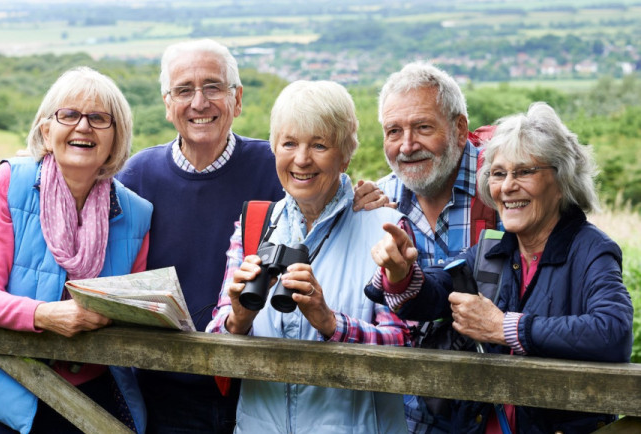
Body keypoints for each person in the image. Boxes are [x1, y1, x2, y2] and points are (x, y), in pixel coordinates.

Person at [116, 39, 387, 433]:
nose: (199, 102)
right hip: (167, 390)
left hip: (258, 389)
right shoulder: (138, 176)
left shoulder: (277, 166)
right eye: (184, 90)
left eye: (213, 87)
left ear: (237, 99)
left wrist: (373, 196)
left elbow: (327, 201)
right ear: (166, 102)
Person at [369, 102, 634, 433]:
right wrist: (401, 273)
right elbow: (436, 295)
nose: (507, 186)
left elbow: (612, 332)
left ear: (562, 180)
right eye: (498, 173)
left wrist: (503, 327)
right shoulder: (495, 247)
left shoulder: (590, 248)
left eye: (524, 172)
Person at [206, 80, 410, 433]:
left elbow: (404, 343)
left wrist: (330, 322)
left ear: (346, 153)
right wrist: (238, 319)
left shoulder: (385, 227)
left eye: (319, 145)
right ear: (274, 148)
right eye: (289, 143)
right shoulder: (253, 225)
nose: (301, 159)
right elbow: (216, 335)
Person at [0, 66, 150, 434]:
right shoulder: (10, 183)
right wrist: (46, 314)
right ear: (47, 131)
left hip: (97, 390)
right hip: (15, 389)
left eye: (99, 118)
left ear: (117, 138)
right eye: (69, 115)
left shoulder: (137, 213)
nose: (83, 127)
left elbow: (137, 306)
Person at [364, 61, 500, 433]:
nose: (407, 146)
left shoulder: (504, 188)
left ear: (459, 129)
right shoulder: (377, 206)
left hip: (500, 413)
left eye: (423, 127)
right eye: (394, 131)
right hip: (410, 419)